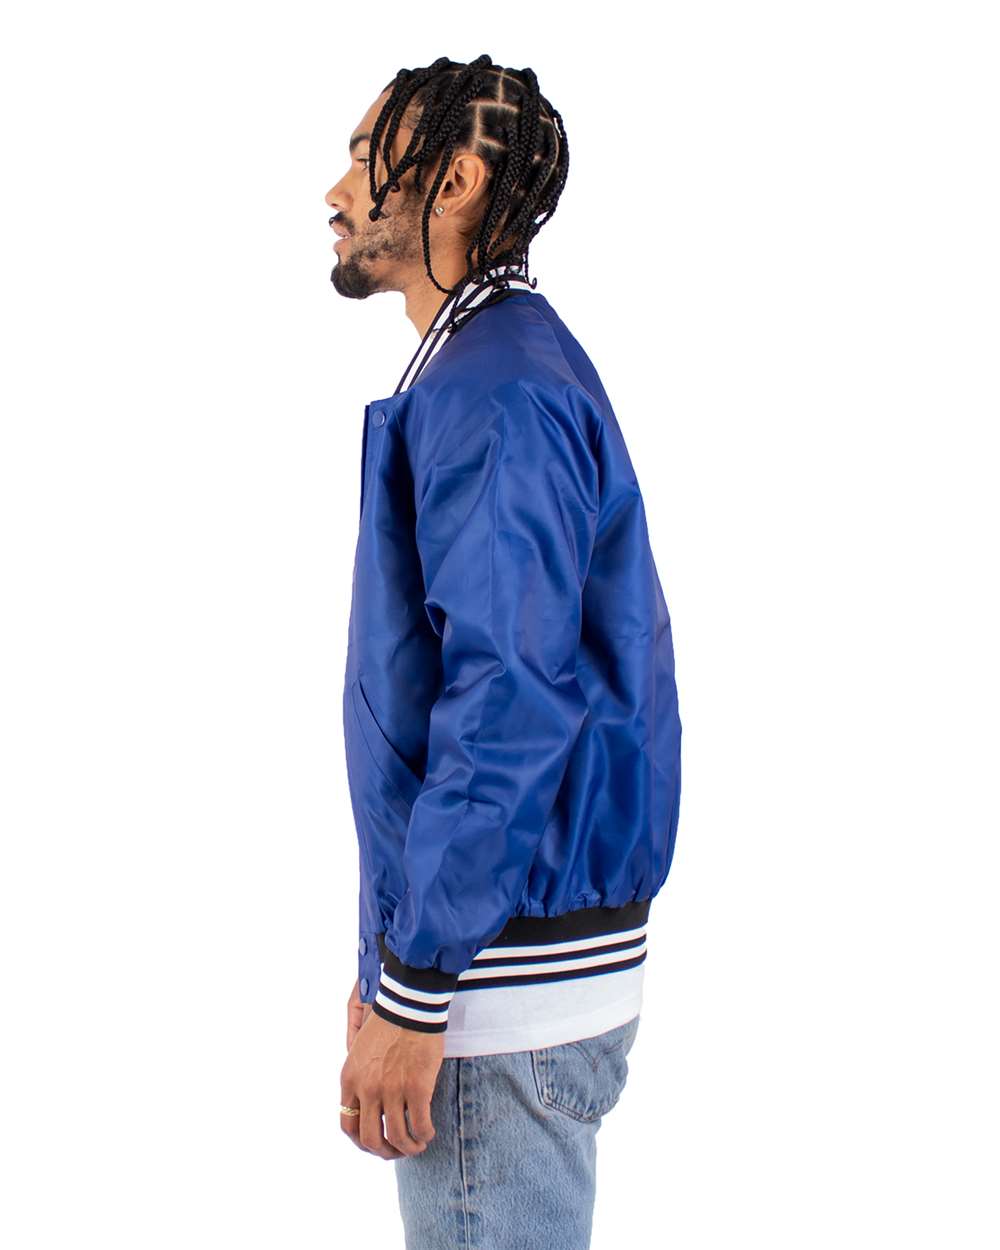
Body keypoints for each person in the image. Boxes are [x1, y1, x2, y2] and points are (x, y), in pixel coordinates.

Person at [325, 54, 682, 1249]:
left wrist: (421, 979)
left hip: (500, 987)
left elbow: (508, 698)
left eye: (365, 161)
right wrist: (391, 955)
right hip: (496, 964)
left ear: (455, 182)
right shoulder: (490, 367)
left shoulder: (496, 393)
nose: (335, 191)